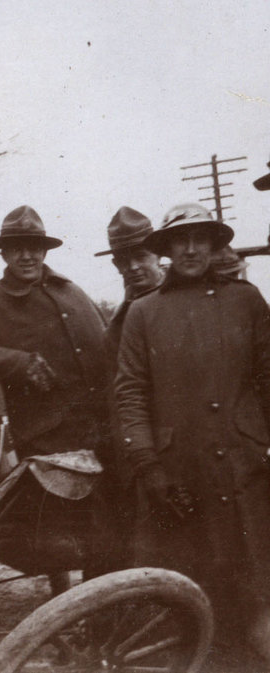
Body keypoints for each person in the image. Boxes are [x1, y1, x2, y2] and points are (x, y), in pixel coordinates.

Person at [115, 202, 270, 665]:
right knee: (192, 601)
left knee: (257, 586)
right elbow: (131, 395)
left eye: (199, 239)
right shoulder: (143, 313)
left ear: (213, 244)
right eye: (179, 240)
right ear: (165, 249)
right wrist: (149, 466)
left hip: (246, 468)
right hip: (182, 474)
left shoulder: (246, 300)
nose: (189, 249)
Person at [0, 205, 111, 461]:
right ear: (4, 255)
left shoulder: (70, 291)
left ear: (44, 251)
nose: (26, 256)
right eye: (16, 248)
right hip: (46, 444)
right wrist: (21, 363)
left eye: (33, 247)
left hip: (102, 433)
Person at [93, 206, 164, 361]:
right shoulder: (120, 318)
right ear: (116, 265)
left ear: (158, 255)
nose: (133, 267)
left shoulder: (181, 296)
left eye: (140, 257)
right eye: (124, 260)